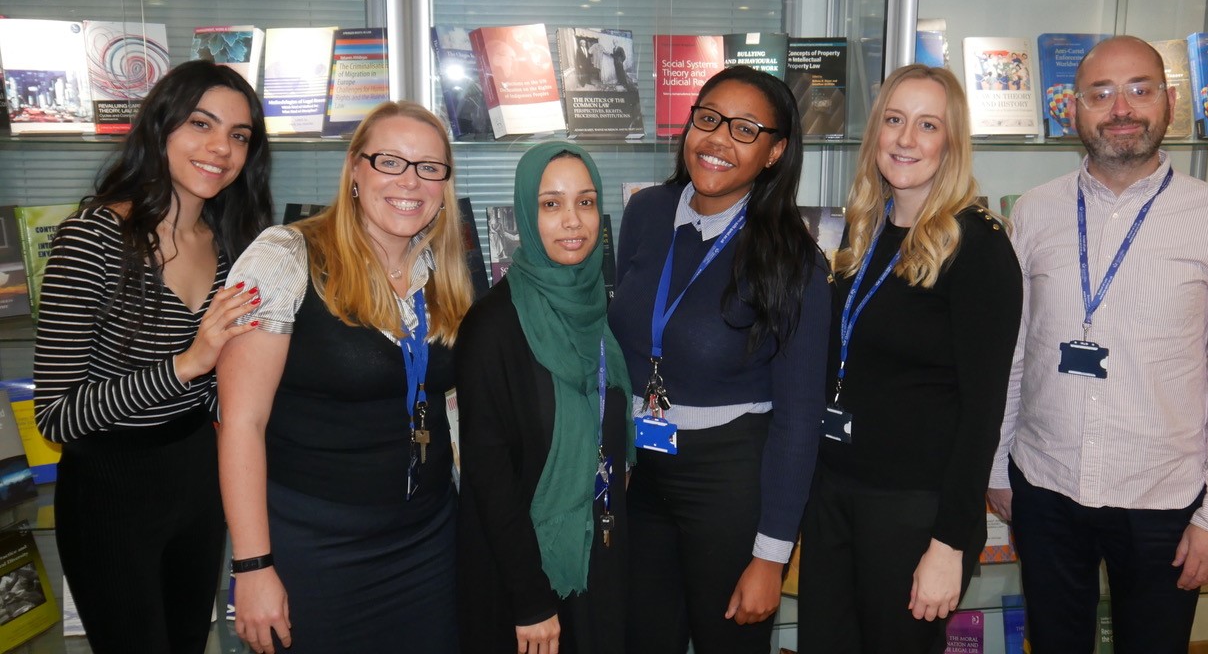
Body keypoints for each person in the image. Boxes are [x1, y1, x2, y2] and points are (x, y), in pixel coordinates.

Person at [986, 35, 1208, 653]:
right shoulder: (1033, 213)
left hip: (1164, 501)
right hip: (1045, 485)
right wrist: (997, 464)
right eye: (1101, 93)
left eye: (1140, 90)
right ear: (1072, 109)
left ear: (1168, 104)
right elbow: (1012, 353)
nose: (1122, 109)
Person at [33, 59, 273, 654]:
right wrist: (188, 363)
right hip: (110, 492)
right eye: (201, 124)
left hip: (199, 477)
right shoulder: (93, 237)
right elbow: (57, 417)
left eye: (239, 136)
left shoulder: (228, 243)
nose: (221, 148)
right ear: (161, 128)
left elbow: (225, 388)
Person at [217, 101, 473, 654]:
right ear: (355, 169)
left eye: (430, 167)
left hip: (427, 538)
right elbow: (240, 421)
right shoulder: (287, 255)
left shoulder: (442, 269)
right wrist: (253, 565)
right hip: (316, 546)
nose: (412, 181)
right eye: (391, 162)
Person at [796, 64, 1022, 653]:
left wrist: (949, 545)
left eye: (927, 125)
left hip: (913, 513)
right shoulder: (864, 232)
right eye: (894, 120)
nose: (905, 139)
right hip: (836, 495)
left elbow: (983, 414)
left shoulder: (980, 247)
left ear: (951, 143)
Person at [608, 65, 831, 653]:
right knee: (641, 637)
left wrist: (770, 557)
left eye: (744, 129)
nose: (717, 138)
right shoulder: (646, 213)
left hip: (728, 481)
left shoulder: (795, 262)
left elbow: (799, 420)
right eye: (708, 119)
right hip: (640, 469)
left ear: (776, 151)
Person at [455, 142, 632, 654]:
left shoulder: (597, 308)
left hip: (598, 552)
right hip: (525, 579)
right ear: (526, 217)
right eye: (551, 205)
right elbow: (490, 480)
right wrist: (530, 600)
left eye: (587, 201)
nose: (573, 221)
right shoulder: (492, 326)